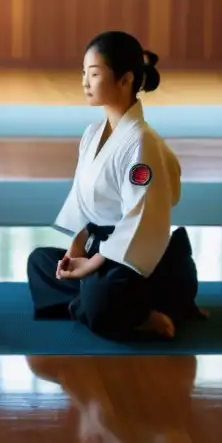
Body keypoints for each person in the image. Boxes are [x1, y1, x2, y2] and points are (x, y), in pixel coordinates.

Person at [26, 31, 205, 341]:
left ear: (125, 80)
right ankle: (104, 302)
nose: (84, 82)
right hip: (102, 248)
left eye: (94, 74)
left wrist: (91, 265)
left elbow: (142, 221)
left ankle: (142, 314)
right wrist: (77, 248)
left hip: (140, 259)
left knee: (101, 300)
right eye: (83, 73)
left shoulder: (141, 142)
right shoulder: (93, 133)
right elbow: (84, 203)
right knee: (40, 264)